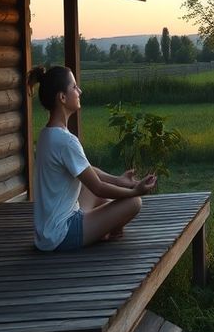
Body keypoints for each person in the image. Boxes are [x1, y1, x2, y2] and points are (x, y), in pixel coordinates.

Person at [26, 65, 156, 252]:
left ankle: (103, 227)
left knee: (90, 186)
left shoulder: (47, 134)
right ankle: (107, 230)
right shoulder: (65, 140)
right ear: (62, 97)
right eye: (74, 87)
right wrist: (135, 192)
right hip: (63, 234)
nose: (80, 91)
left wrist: (118, 181)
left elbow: (86, 170)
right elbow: (98, 187)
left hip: (47, 233)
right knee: (133, 204)